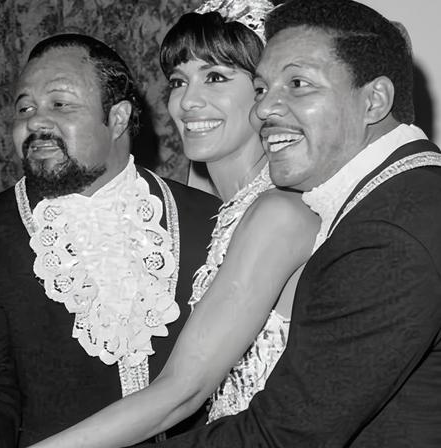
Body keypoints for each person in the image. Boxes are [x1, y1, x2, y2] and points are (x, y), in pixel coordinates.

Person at [29, 1, 320, 446]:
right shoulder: (214, 207)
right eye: (179, 81)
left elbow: (182, 391)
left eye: (215, 77)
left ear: (264, 92)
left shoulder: (279, 214)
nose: (187, 101)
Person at [150, 0, 441, 446]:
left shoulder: (388, 233)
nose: (264, 109)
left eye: (299, 84)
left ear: (374, 101)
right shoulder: (400, 195)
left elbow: (282, 435)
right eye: (262, 88)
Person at [0, 33, 222, 448]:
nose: (35, 122)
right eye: (25, 108)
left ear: (117, 119)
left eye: (60, 104)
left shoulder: (209, 221)